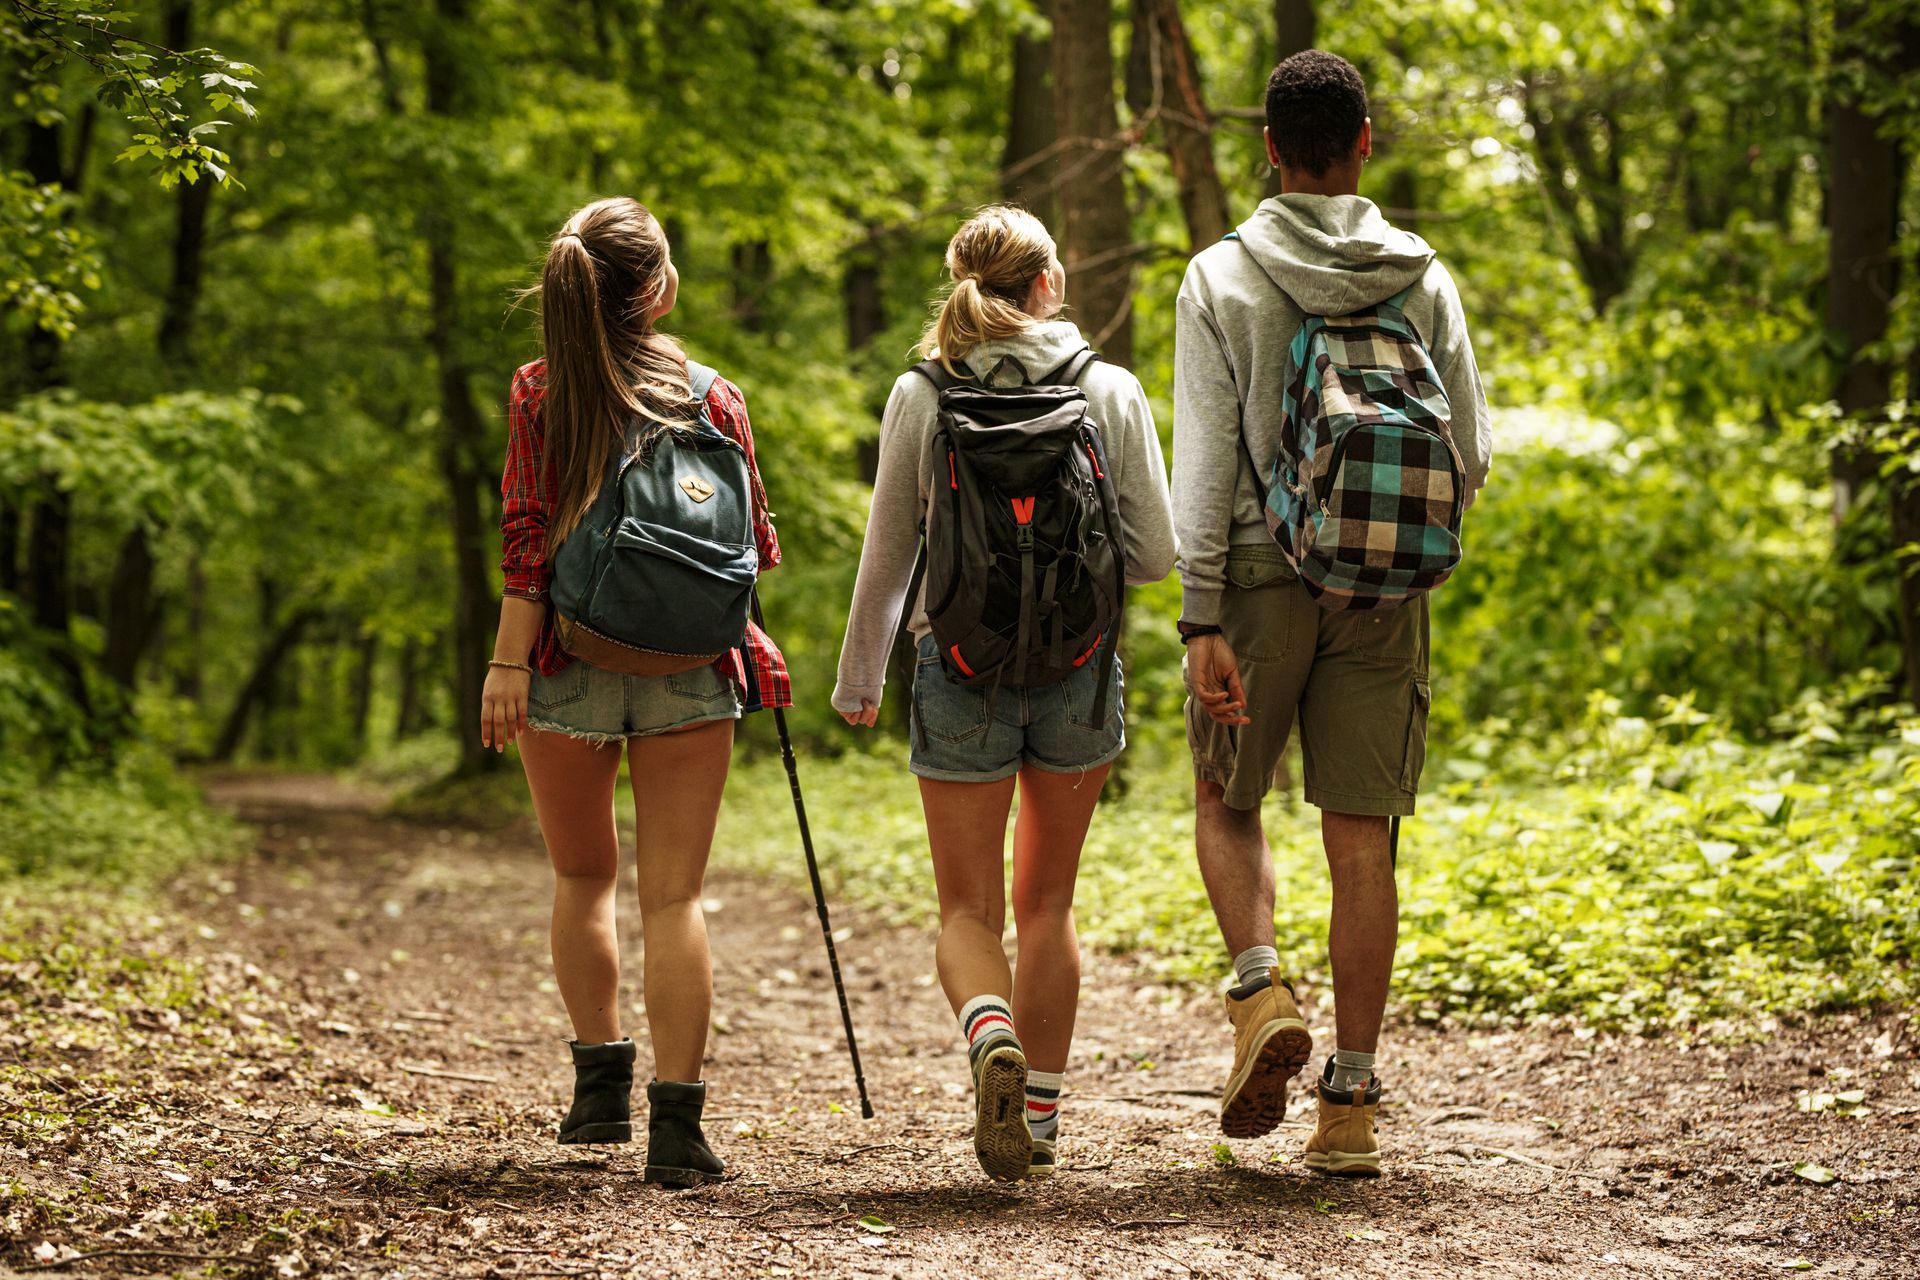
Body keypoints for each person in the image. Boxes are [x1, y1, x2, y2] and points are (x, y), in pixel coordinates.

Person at [1172, 51, 1491, 1177]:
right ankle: (1350, 1102)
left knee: (1227, 792)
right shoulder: (1422, 274)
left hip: (1258, 580)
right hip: (1385, 587)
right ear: (1364, 144)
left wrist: (1199, 610)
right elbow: (1474, 449)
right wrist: (1388, 543)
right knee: (1364, 842)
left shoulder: (1221, 275)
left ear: (1269, 148)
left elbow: (1205, 464)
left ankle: (1260, 989)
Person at [834, 205, 1176, 1182]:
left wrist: (861, 675)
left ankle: (990, 1030)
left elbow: (890, 552)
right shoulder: (1108, 388)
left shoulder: (921, 391)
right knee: (1052, 902)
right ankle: (1044, 1121)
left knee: (966, 908)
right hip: (1078, 670)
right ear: (1049, 286)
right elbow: (1152, 557)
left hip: (960, 670)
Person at [479, 196, 788, 1188]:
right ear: (657, 288)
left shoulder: (542, 390)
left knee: (583, 878)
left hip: (565, 659)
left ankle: (596, 1090)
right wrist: (748, 635)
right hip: (692, 667)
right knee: (676, 895)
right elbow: (755, 548)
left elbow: (526, 539)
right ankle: (677, 1129)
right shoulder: (716, 396)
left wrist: (505, 663)